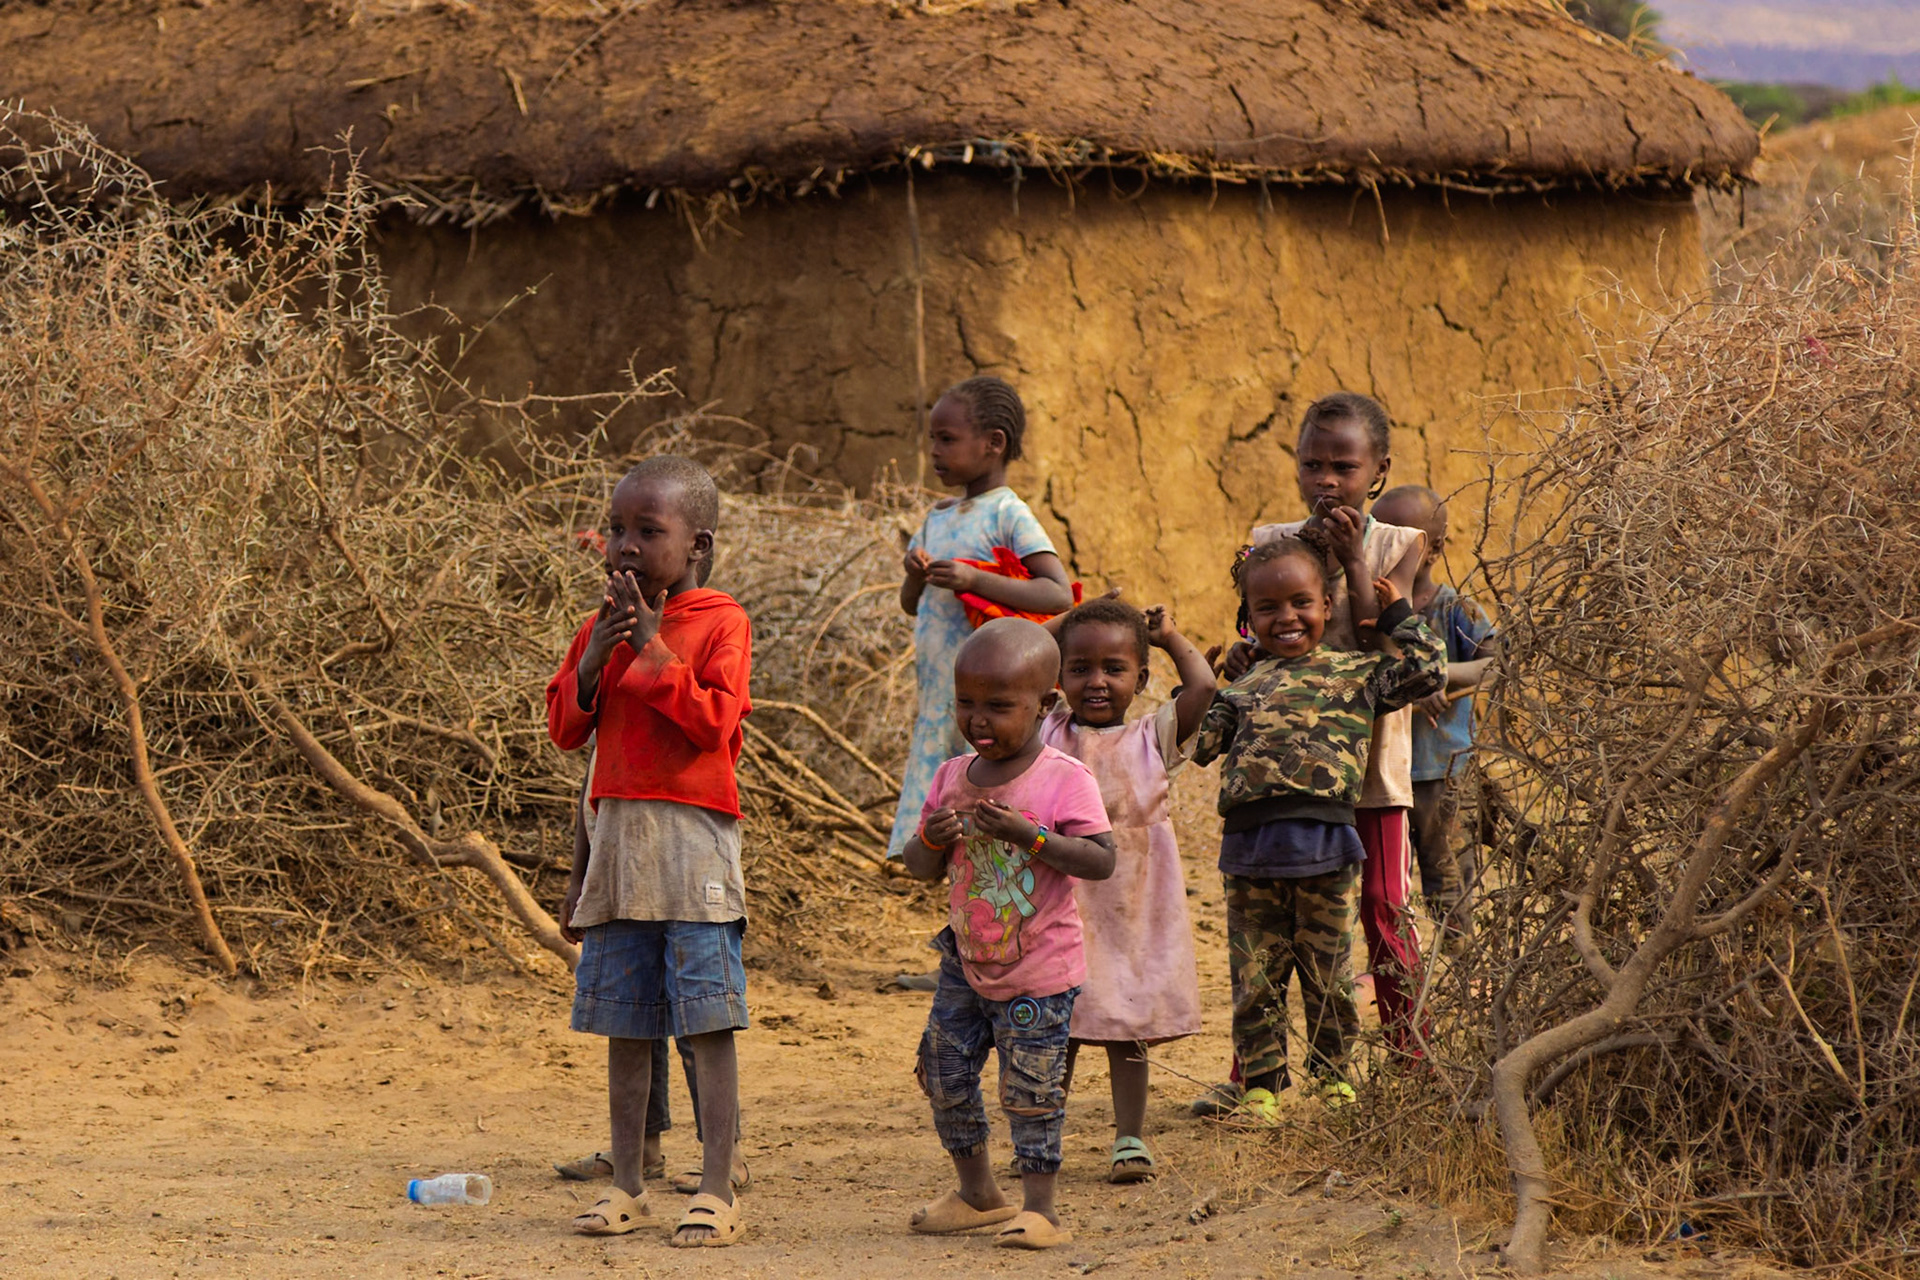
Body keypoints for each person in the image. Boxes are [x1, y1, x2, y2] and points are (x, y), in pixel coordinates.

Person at [1195, 391, 1429, 1115]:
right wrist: (1236, 656)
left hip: (1369, 773)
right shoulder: (1269, 541)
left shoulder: (1398, 545)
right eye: (1313, 464)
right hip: (1280, 780)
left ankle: (1409, 1061)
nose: (1327, 479)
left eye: (1345, 466)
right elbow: (1258, 630)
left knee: (1382, 911)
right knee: (1262, 937)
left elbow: (1372, 642)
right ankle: (1251, 1075)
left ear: (1378, 470)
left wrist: (1354, 556)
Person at [546, 456, 751, 1247]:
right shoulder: (597, 626)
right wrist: (599, 655)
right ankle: (627, 1186)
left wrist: (654, 648)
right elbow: (569, 732)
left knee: (706, 1020)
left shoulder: (720, 622)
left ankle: (716, 1188)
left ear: (696, 544)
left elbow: (715, 725)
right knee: (625, 1024)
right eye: (618, 529)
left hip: (693, 850)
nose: (624, 546)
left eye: (647, 531)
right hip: (619, 848)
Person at [901, 618, 1116, 1250]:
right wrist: (930, 840)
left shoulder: (1065, 778)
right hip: (966, 961)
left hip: (1039, 967)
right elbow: (918, 868)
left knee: (1031, 1087)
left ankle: (1041, 1208)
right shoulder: (951, 776)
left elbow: (1100, 859)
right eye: (966, 703)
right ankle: (977, 1193)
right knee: (941, 1069)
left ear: (1046, 704)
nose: (979, 720)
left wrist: (1033, 837)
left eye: (999, 706)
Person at [1037, 598, 1213, 1183]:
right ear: (1057, 677)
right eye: (1079, 667)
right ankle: (1042, 1136)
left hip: (1133, 905)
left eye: (1114, 669)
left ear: (1141, 679)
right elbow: (1019, 659)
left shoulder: (1153, 736)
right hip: (1060, 901)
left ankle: (1129, 1138)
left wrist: (1168, 634)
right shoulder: (1046, 730)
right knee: (1054, 1024)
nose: (1096, 681)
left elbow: (1204, 687)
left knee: (1127, 1026)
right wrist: (1063, 622)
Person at [890, 376, 1074, 867]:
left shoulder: (1009, 514)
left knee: (989, 781)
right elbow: (912, 605)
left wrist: (974, 578)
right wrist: (915, 576)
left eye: (946, 439)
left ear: (993, 444)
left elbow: (1055, 592)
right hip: (942, 694)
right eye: (932, 438)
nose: (933, 450)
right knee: (947, 795)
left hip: (988, 694)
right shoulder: (937, 517)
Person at [552, 747, 751, 1197]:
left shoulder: (679, 674)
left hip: (688, 852)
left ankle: (725, 1156)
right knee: (636, 1013)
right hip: (621, 855)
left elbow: (707, 736)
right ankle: (643, 1146)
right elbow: (596, 774)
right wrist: (577, 876)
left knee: (698, 1014)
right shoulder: (604, 684)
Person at [1371, 486, 1498, 949]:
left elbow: (1499, 663)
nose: (1387, 551)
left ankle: (1464, 985)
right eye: (1378, 537)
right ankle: (1399, 977)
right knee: (1387, 891)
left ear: (1436, 548)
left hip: (1442, 776)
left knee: (1449, 889)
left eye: (1401, 541)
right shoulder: (1366, 610)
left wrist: (1438, 676)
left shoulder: (1454, 608)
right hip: (1383, 781)